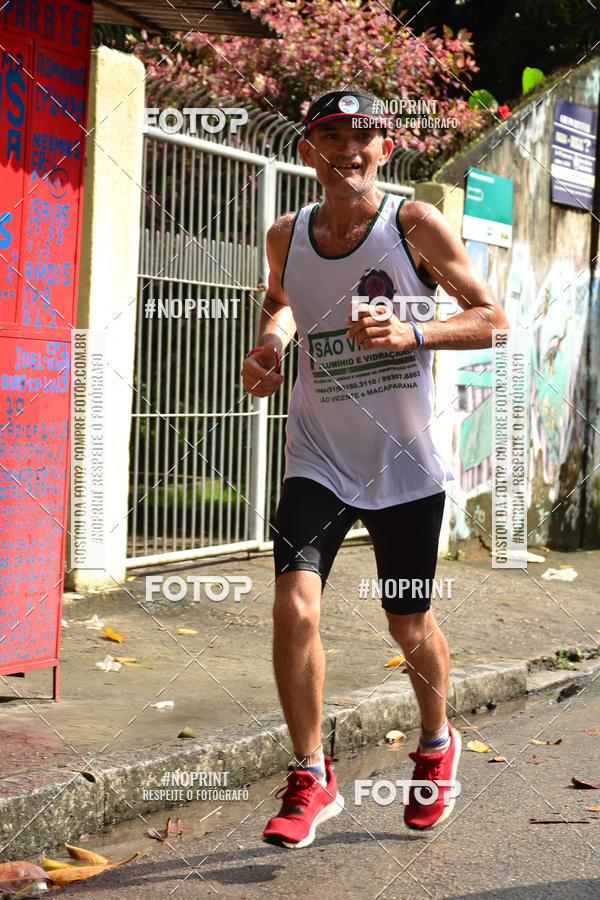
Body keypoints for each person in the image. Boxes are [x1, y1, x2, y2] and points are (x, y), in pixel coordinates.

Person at [241, 88, 509, 849]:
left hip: (404, 465)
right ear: (309, 152)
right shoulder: (285, 235)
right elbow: (280, 302)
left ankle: (435, 744)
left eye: (363, 139)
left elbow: (493, 318)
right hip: (317, 458)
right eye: (331, 137)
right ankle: (310, 774)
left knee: (407, 620)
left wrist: (414, 331)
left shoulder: (412, 225)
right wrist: (271, 344)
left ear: (385, 150)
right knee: (293, 606)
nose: (348, 152)